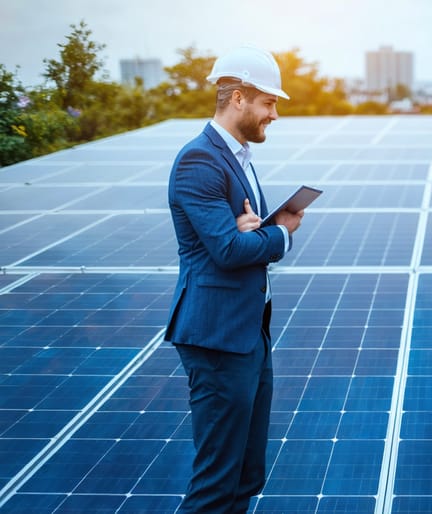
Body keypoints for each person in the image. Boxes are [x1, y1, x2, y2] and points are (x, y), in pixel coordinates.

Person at [165, 45, 303, 513]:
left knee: (245, 475)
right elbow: (227, 250)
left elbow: (241, 239)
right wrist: (280, 234)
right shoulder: (199, 161)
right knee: (216, 484)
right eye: (270, 103)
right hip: (217, 337)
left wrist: (257, 231)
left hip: (247, 336)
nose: (275, 114)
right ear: (239, 98)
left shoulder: (237, 158)